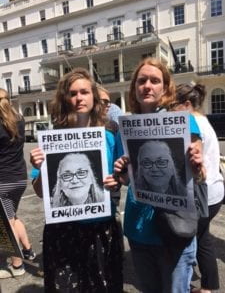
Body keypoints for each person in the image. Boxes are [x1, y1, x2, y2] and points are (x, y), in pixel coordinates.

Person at [106, 57, 205, 293]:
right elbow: (129, 179)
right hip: (139, 230)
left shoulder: (185, 123)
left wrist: (198, 166)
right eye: (142, 81)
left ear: (165, 87)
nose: (147, 86)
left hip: (175, 228)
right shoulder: (126, 128)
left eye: (154, 80)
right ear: (134, 88)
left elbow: (199, 176)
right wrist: (121, 172)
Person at [30, 68, 123, 292]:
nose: (79, 98)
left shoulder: (110, 134)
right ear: (65, 98)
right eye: (73, 93)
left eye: (84, 92)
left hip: (102, 228)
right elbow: (42, 192)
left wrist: (117, 181)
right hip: (63, 230)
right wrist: (40, 168)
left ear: (94, 96)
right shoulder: (52, 139)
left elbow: (121, 176)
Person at [173, 83, 225, 293]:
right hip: (214, 190)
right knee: (203, 238)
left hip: (204, 191)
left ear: (186, 104)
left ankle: (203, 287)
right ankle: (209, 286)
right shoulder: (203, 120)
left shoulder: (192, 123)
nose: (169, 110)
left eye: (172, 105)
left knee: (198, 240)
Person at [0, 89, 35, 279]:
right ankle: (28, 250)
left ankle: (17, 265)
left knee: (7, 223)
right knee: (13, 216)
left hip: (2, 180)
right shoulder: (19, 120)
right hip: (20, 178)